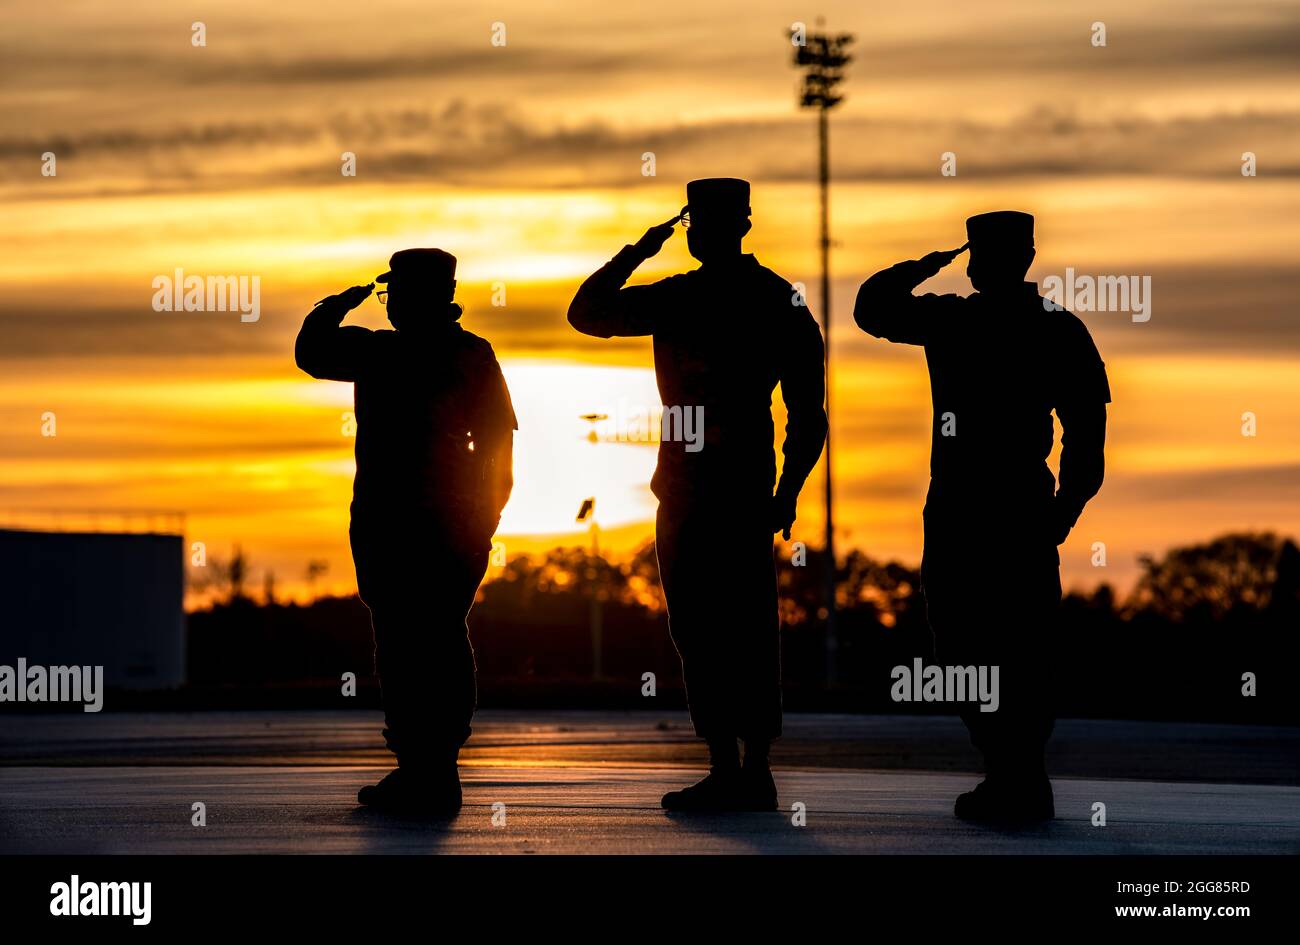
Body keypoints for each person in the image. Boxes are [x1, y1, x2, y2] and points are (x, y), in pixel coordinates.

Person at [568, 178, 827, 811]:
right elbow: (585, 316)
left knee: (735, 627)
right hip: (698, 486)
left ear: (738, 226)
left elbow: (807, 413)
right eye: (697, 226)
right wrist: (640, 250)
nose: (702, 235)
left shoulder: (756, 300)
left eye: (709, 224)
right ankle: (729, 766)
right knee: (707, 628)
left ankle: (749, 768)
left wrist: (787, 491)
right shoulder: (750, 298)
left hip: (727, 486)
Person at [854, 211, 1109, 824]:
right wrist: (1063, 513)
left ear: (981, 260)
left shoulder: (956, 318)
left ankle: (1015, 775)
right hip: (1010, 507)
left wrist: (929, 260)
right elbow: (1088, 440)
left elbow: (874, 305)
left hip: (978, 506)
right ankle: (1014, 774)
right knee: (1003, 644)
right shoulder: (1050, 327)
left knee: (978, 645)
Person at [295, 248, 517, 814]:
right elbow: (500, 448)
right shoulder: (454, 353)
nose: (392, 306)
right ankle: (426, 767)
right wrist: (486, 521)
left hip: (414, 524)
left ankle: (431, 769)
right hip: (420, 524)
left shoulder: (386, 353)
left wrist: (339, 303)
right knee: (423, 637)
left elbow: (312, 348)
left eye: (397, 294)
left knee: (414, 640)